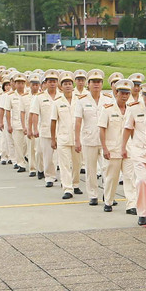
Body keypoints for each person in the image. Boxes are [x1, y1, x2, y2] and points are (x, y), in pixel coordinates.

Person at [122, 82, 146, 226]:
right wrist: (123, 147)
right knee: (142, 181)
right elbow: (127, 128)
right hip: (138, 150)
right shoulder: (133, 108)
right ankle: (142, 213)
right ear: (142, 95)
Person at [75, 69, 114, 206]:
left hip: (106, 140)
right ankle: (93, 195)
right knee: (91, 170)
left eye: (99, 82)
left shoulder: (108, 99)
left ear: (102, 84)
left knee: (107, 168)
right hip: (89, 138)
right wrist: (77, 140)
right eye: (93, 82)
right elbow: (78, 121)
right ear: (88, 84)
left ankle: (108, 195)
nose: (96, 85)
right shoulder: (82, 100)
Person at [98, 79, 131, 212]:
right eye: (122, 93)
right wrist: (104, 148)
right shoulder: (107, 109)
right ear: (116, 93)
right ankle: (108, 201)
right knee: (111, 177)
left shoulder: (132, 109)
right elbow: (102, 129)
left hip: (128, 149)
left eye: (127, 93)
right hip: (112, 149)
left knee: (130, 178)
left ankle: (131, 204)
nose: (124, 96)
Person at [29, 70, 61, 187]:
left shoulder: (61, 96)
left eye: (54, 81)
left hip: (61, 131)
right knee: (48, 156)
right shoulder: (40, 97)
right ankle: (49, 177)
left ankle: (61, 177)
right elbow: (35, 114)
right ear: (46, 83)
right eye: (50, 81)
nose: (52, 84)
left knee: (60, 157)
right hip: (46, 130)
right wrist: (35, 128)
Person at [50, 73, 78, 200]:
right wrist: (53, 138)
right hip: (63, 138)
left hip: (77, 138)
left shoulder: (80, 99)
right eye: (65, 84)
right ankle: (68, 188)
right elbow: (53, 121)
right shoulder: (57, 102)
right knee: (64, 164)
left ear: (73, 86)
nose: (68, 86)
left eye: (70, 84)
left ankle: (75, 184)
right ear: (61, 87)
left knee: (77, 163)